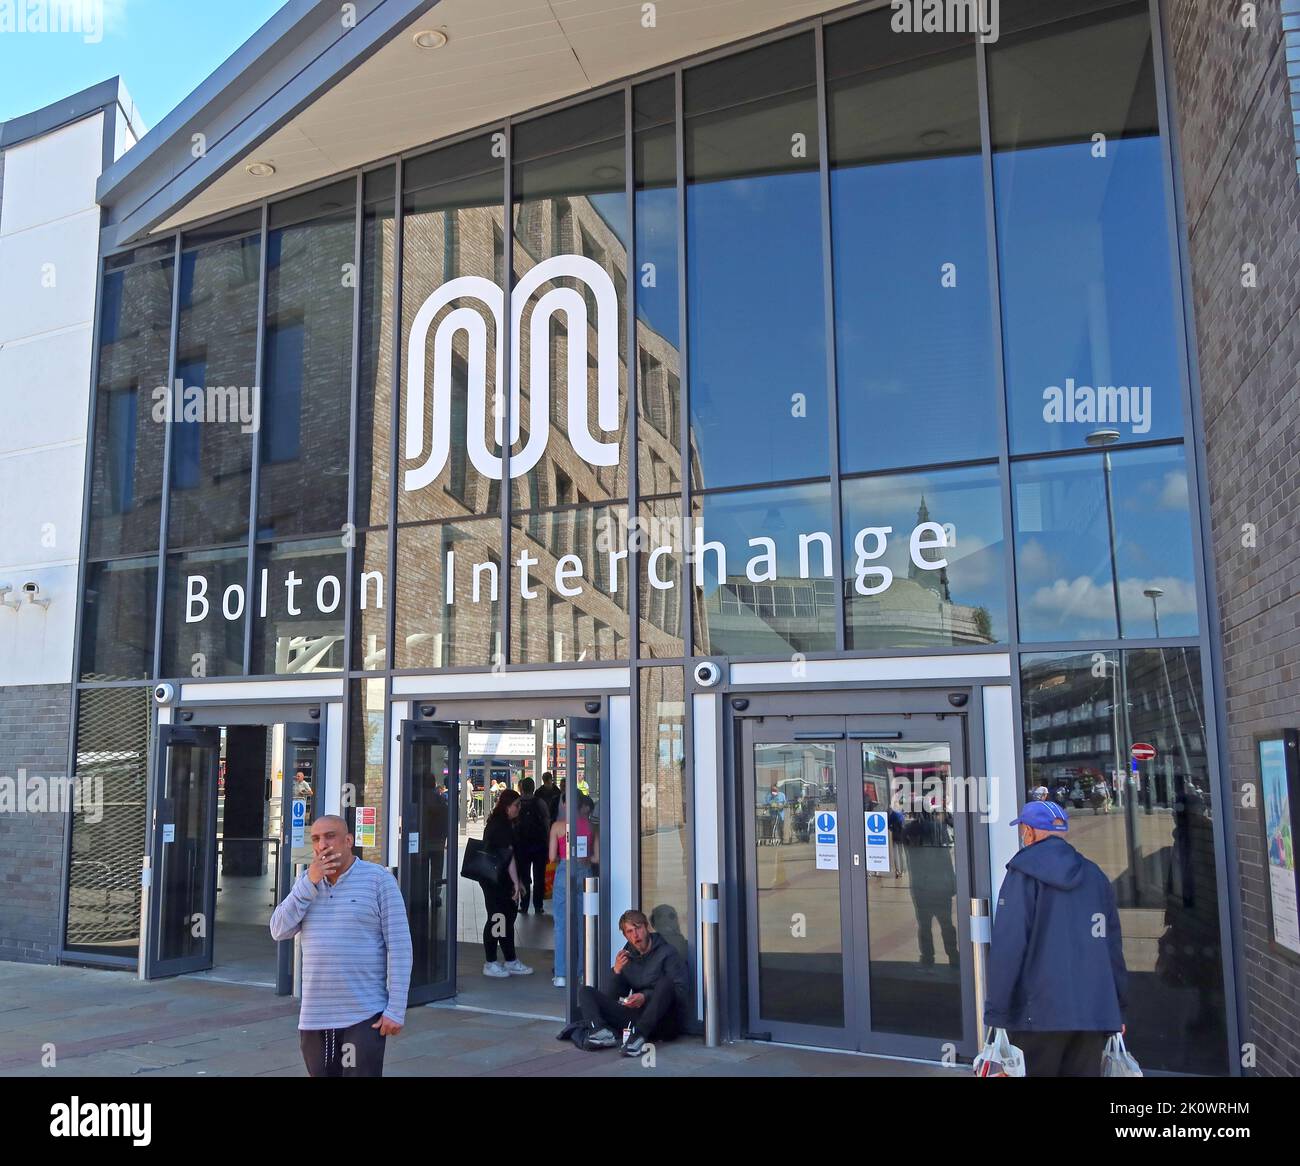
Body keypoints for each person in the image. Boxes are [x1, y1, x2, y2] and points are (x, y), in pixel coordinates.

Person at [985, 800, 1128, 1077]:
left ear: (1030, 831)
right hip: (1093, 1012)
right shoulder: (1095, 875)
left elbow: (1009, 947)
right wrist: (1117, 1008)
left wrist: (997, 1012)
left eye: (1023, 830)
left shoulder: (1022, 875)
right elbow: (1112, 948)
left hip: (1038, 1015)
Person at [269, 815, 412, 1077]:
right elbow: (279, 930)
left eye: (330, 836)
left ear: (349, 841)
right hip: (314, 1016)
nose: (322, 844)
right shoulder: (306, 884)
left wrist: (396, 1008)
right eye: (316, 838)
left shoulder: (379, 880)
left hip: (363, 1013)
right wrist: (309, 883)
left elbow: (401, 946)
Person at [577, 909, 689, 1057]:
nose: (635, 935)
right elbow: (611, 998)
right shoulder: (627, 956)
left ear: (647, 927)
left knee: (666, 983)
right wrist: (616, 971)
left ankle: (638, 1037)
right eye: (629, 932)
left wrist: (645, 997)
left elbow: (680, 992)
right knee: (585, 991)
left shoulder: (667, 952)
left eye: (638, 928)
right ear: (625, 936)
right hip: (637, 1018)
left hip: (664, 1021)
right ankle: (600, 1032)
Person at [478, 790, 533, 978]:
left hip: (497, 880)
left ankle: (509, 959)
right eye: (516, 805)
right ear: (507, 806)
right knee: (498, 918)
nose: (519, 808)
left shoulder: (501, 823)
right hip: (497, 882)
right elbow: (509, 858)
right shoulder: (501, 826)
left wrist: (517, 882)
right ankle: (491, 961)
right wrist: (517, 883)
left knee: (504, 919)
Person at [548, 792, 597, 987]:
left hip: (563, 873)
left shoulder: (557, 827)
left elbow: (552, 857)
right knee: (583, 924)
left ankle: (561, 974)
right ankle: (584, 972)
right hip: (584, 873)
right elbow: (596, 859)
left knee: (561, 924)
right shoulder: (591, 826)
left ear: (564, 804)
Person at [513, 776, 551, 915]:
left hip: (522, 846)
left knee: (524, 876)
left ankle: (524, 905)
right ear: (534, 787)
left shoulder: (518, 803)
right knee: (539, 876)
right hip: (539, 845)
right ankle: (538, 905)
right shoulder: (539, 803)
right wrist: (547, 840)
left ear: (522, 788)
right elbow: (547, 822)